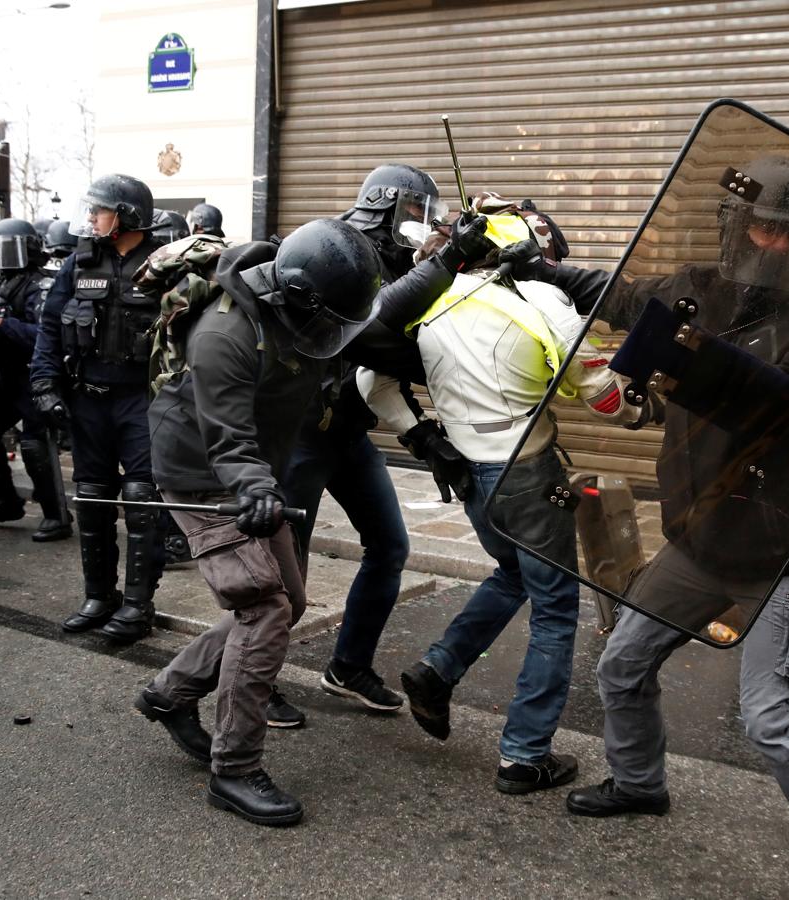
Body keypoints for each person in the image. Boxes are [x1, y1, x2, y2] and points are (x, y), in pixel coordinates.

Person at [516, 156, 789, 900]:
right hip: (698, 540)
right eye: (765, 226)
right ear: (737, 226)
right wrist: (541, 267)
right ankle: (639, 783)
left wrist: (680, 354)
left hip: (778, 550)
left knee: (773, 721)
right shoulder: (699, 288)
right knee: (621, 666)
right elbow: (626, 297)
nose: (778, 245)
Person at [360, 195, 638, 793]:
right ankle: (523, 753)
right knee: (557, 608)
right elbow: (607, 399)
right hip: (529, 475)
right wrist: (643, 396)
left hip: (468, 473)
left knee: (512, 573)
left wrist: (425, 440)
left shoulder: (429, 301)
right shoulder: (541, 299)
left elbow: (370, 379)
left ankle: (438, 670)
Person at [135, 217, 382, 826]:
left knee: (290, 601)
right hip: (202, 476)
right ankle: (235, 769)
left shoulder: (304, 305)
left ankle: (169, 694)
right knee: (263, 608)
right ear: (294, 294)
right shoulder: (224, 333)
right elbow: (228, 440)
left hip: (252, 473)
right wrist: (253, 488)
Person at [274, 164, 493, 723]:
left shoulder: (404, 261)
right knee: (282, 571)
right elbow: (373, 324)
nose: (425, 224)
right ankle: (255, 679)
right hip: (302, 435)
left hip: (347, 433)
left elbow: (387, 369)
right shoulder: (339, 250)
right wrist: (443, 261)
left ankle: (347, 666)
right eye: (420, 212)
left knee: (390, 546)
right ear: (390, 204)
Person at [30, 174, 166, 643]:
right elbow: (49, 328)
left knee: (144, 503)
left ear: (126, 215)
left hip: (142, 403)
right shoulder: (78, 262)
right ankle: (98, 595)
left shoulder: (165, 263)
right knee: (91, 498)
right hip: (88, 399)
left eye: (99, 209)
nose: (90, 217)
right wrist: (45, 384)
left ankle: (136, 606)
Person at [0, 218, 71, 542]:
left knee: (35, 444)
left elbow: (41, 335)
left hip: (33, 375)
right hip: (7, 376)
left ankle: (57, 515)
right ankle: (6, 502)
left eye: (4, 248)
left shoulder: (39, 286)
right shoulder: (1, 281)